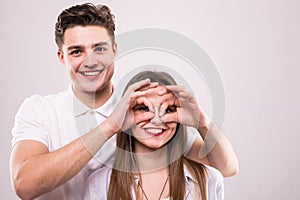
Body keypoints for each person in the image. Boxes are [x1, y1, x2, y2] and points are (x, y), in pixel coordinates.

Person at [10, 3, 238, 200]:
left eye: (99, 48)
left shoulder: (143, 110)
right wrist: (110, 126)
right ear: (62, 57)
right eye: (77, 51)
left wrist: (201, 121)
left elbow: (225, 167)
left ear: (114, 50)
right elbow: (25, 186)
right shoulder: (40, 110)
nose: (90, 61)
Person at [84, 71, 224, 200]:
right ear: (125, 115)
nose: (157, 120)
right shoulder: (100, 184)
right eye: (144, 108)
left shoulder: (209, 180)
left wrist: (202, 121)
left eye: (167, 109)